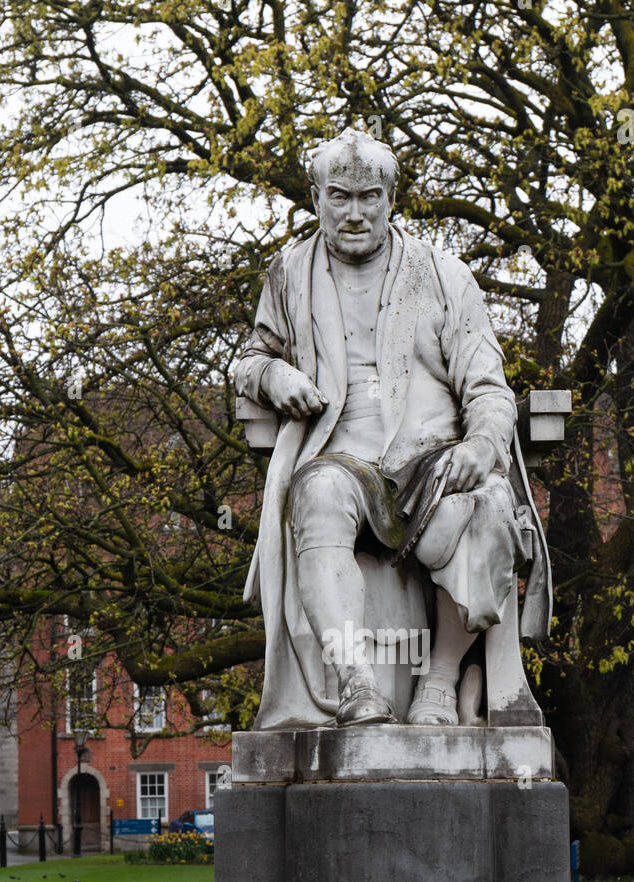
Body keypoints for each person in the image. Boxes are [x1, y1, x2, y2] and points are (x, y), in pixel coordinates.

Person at [235, 127, 550, 728]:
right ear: (315, 197)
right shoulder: (288, 272)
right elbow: (249, 359)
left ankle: (440, 680)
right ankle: (357, 685)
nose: (354, 214)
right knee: (317, 495)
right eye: (339, 197)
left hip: (433, 458)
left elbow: (487, 387)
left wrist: (483, 444)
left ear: (391, 198)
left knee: (488, 507)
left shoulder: (445, 275)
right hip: (341, 458)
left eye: (369, 198)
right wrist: (276, 377)